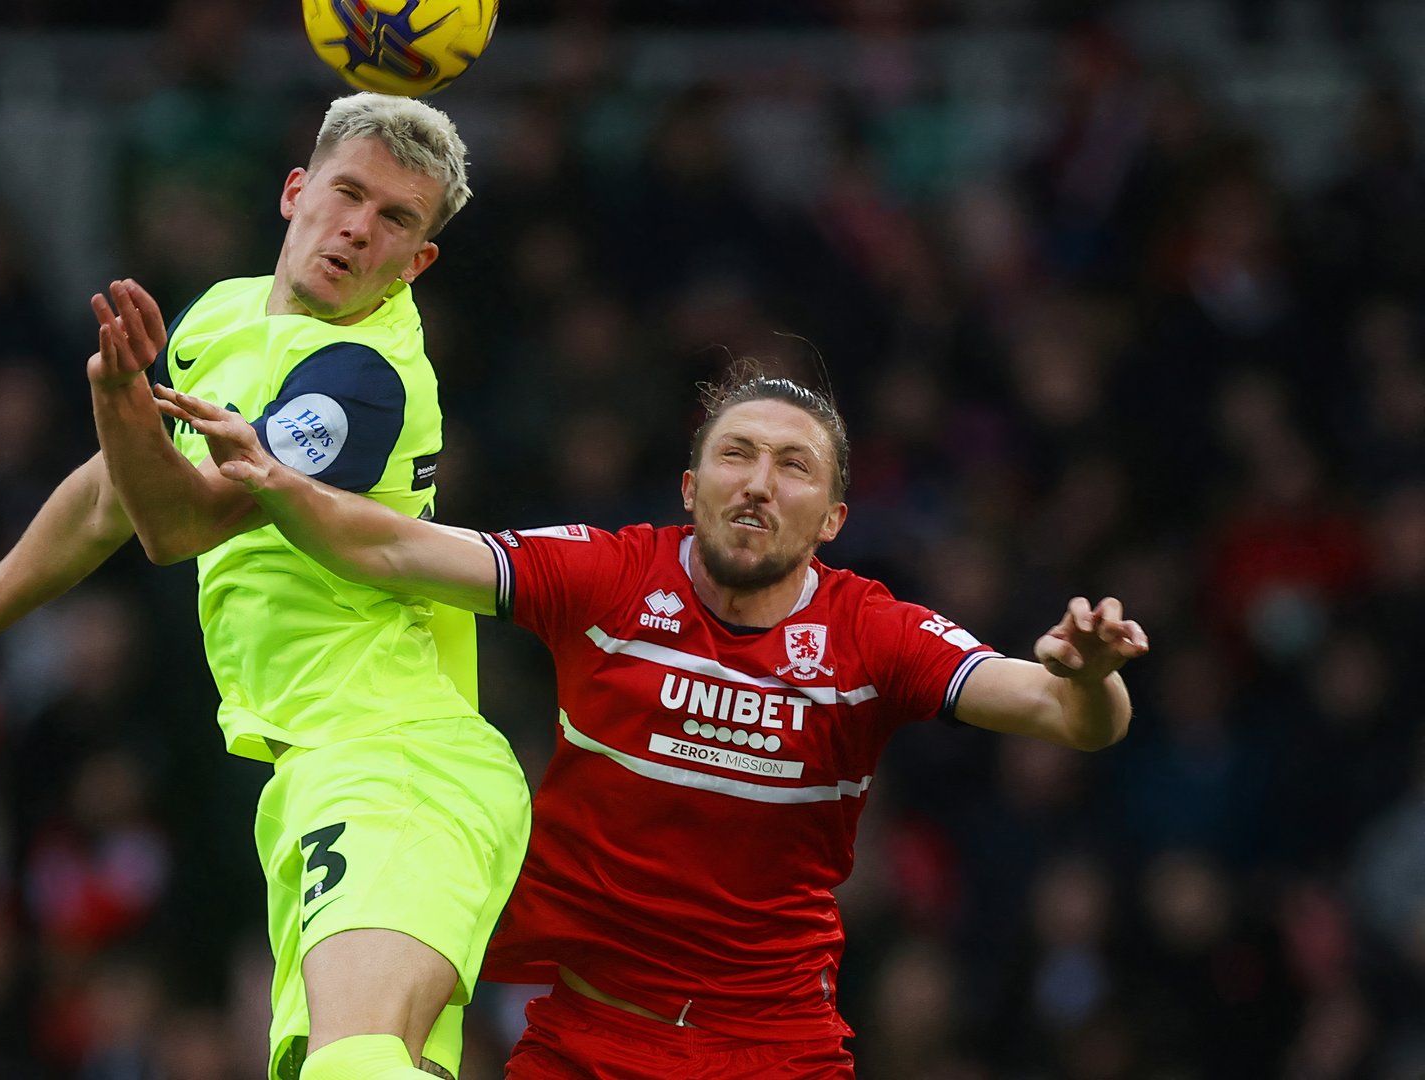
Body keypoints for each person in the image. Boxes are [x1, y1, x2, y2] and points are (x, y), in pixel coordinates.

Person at [152, 361, 1151, 1078]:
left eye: (795, 467)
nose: (760, 482)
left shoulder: (870, 635)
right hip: (589, 1034)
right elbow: (395, 549)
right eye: (737, 456)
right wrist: (274, 478)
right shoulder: (611, 576)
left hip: (775, 1047)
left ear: (834, 516)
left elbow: (1066, 718)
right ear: (691, 487)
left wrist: (1093, 675)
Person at [0, 93, 530, 1080]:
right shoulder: (224, 313)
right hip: (319, 773)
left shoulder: (364, 379)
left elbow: (182, 522)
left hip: (398, 767)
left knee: (354, 1064)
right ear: (296, 193)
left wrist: (120, 403)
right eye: (347, 195)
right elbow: (103, 499)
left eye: (395, 221)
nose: (358, 230)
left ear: (418, 260)